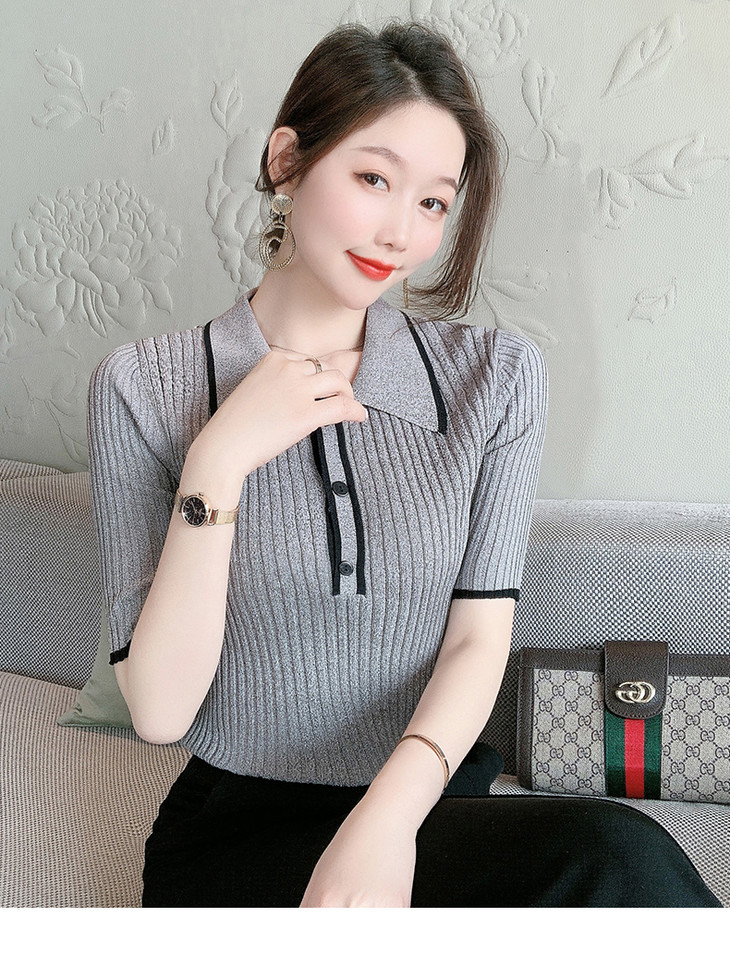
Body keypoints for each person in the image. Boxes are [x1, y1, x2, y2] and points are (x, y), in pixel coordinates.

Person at [86, 20, 720, 907]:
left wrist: (384, 823)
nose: (399, 231)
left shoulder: (494, 379)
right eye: (373, 179)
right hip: (238, 833)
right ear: (286, 161)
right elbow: (159, 711)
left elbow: (476, 639)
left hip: (428, 803)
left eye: (432, 203)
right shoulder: (142, 386)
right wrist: (219, 460)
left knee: (616, 858)